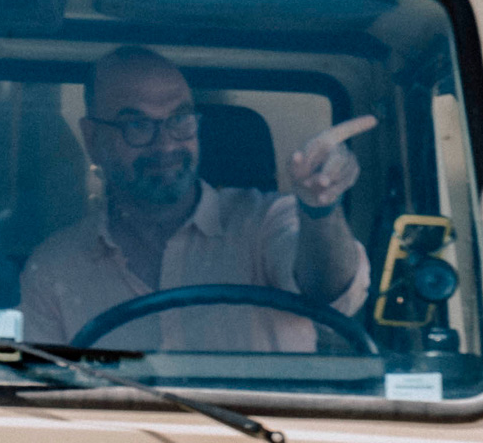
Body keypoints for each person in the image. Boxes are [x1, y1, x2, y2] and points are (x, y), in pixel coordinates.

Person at [21, 46, 371, 352]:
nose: (167, 144)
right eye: (138, 125)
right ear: (94, 137)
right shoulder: (55, 267)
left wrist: (320, 208)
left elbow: (329, 293)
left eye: (180, 119)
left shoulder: (265, 222)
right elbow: (41, 402)